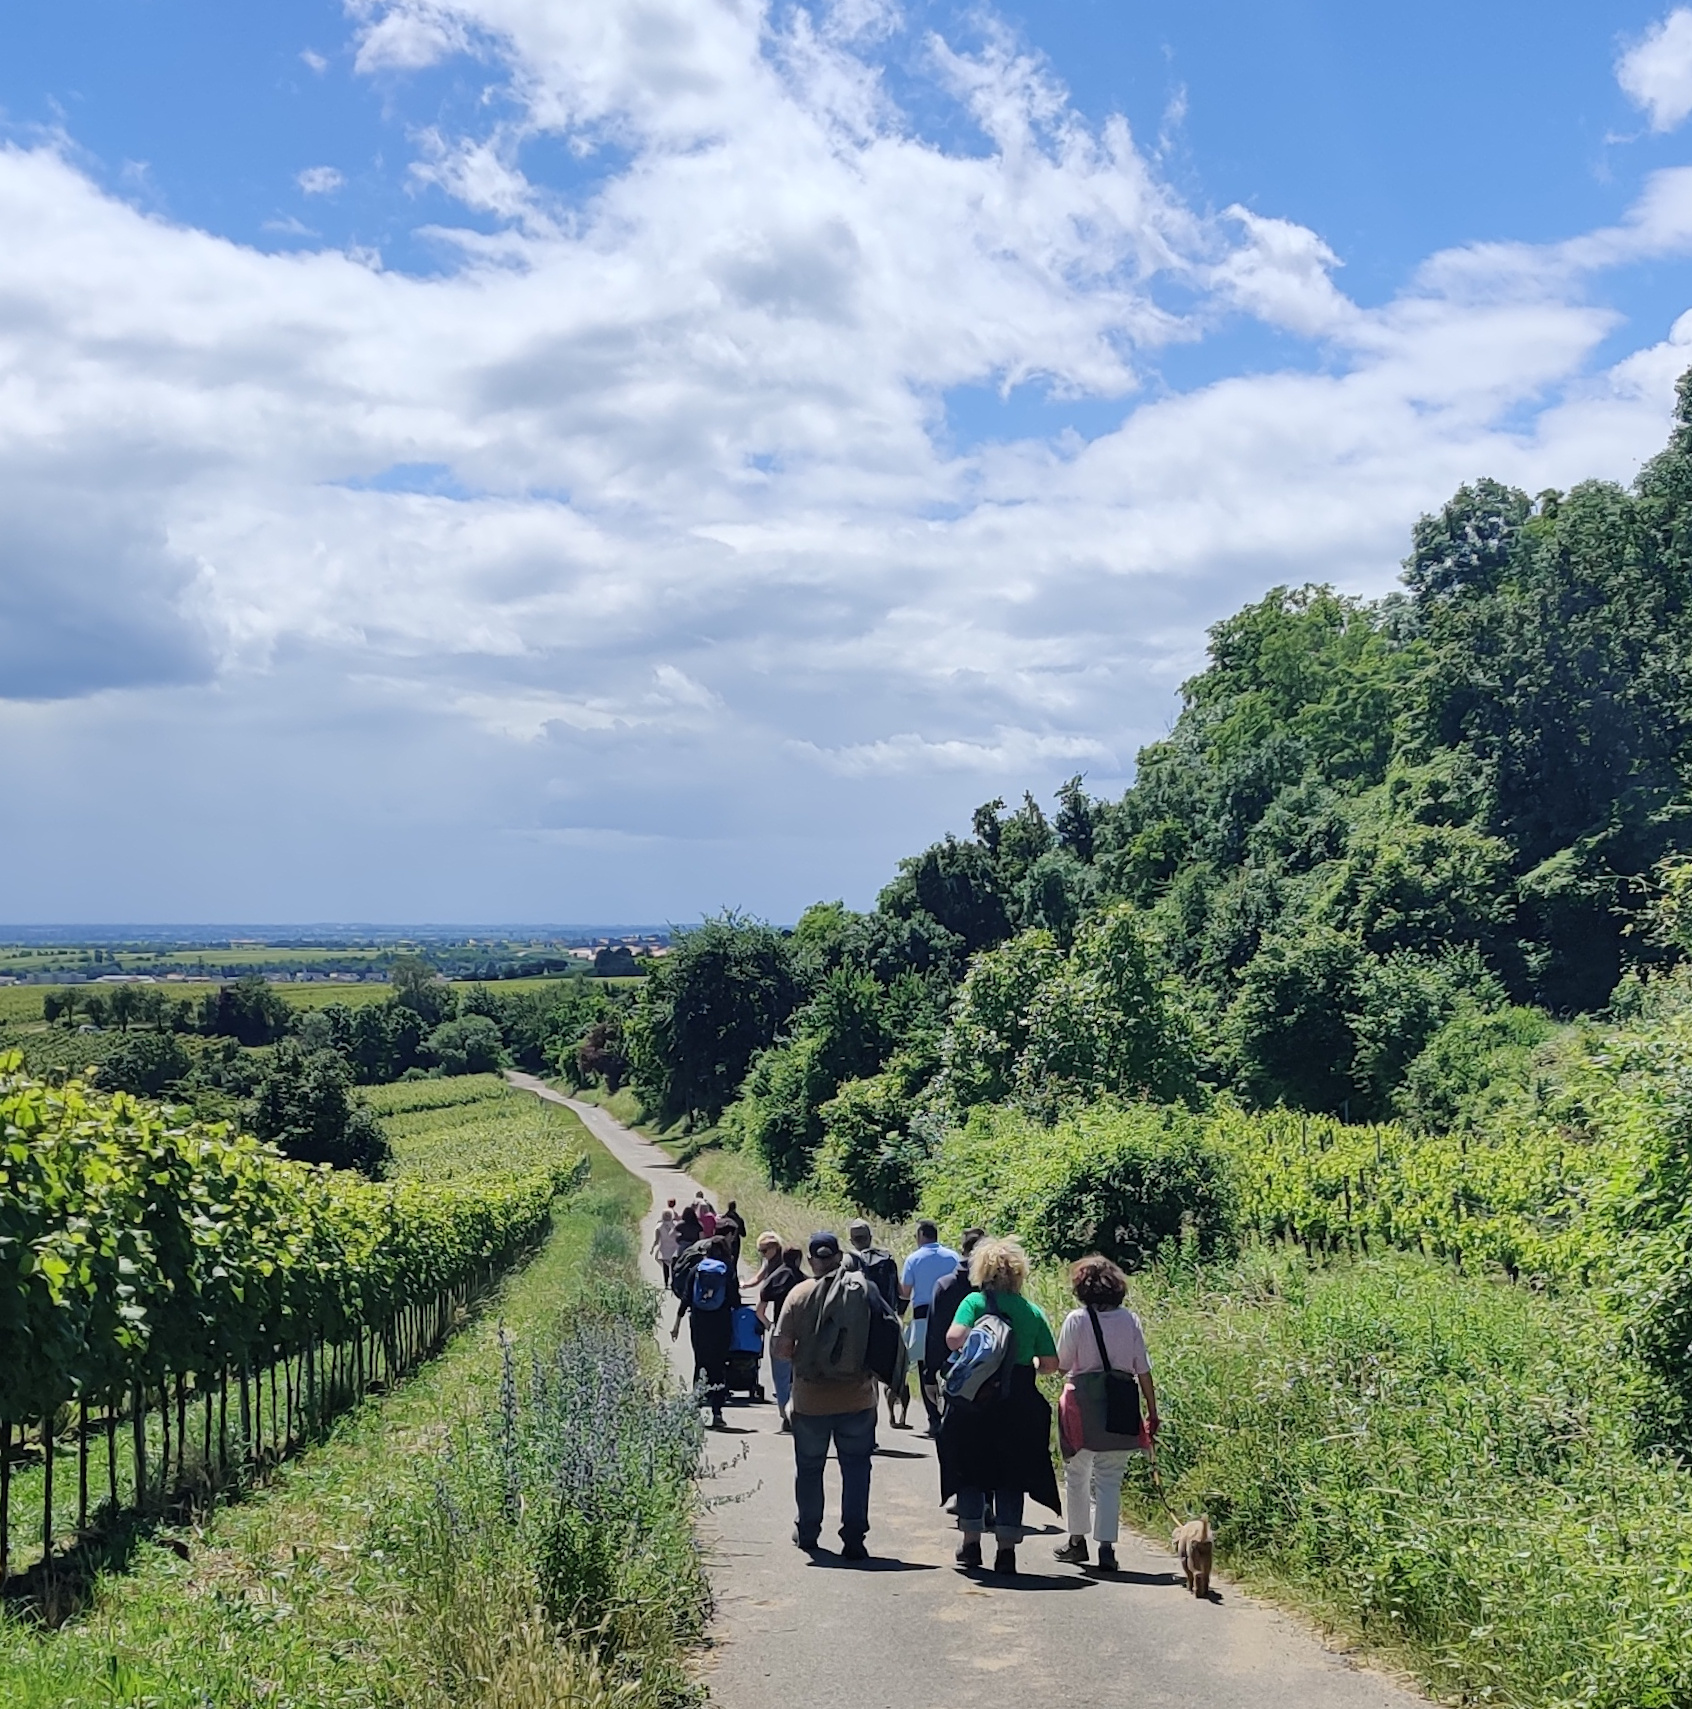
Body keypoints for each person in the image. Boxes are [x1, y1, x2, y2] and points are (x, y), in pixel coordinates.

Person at [939, 1236, 1060, 1576]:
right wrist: (1026, 1363)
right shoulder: (1031, 1311)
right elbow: (1051, 1363)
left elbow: (953, 1338)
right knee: (1011, 1475)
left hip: (975, 1403)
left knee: (970, 1471)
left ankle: (971, 1543)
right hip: (1017, 1402)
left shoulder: (974, 1302)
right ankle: (1006, 1549)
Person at [771, 1231, 880, 1559]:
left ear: (810, 1260)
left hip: (810, 1399)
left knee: (809, 1467)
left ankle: (808, 1531)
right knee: (857, 1468)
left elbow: (780, 1349)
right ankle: (854, 1538)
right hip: (858, 1398)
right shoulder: (865, 1292)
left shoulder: (798, 1294)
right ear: (839, 1256)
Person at [1053, 1255, 1159, 1574]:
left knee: (1077, 1474)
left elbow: (1061, 1365)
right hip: (1122, 1403)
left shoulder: (1076, 1319)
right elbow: (1143, 1369)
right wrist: (1152, 1412)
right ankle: (1107, 1548)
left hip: (1082, 1405)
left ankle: (1076, 1541)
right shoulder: (1130, 1320)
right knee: (1110, 1479)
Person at [671, 1233, 740, 1429]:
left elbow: (686, 1297)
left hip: (698, 1322)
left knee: (700, 1362)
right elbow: (736, 1300)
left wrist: (676, 1324)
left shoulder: (696, 1269)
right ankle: (717, 1412)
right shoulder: (727, 1271)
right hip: (721, 1322)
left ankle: (696, 1407)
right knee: (718, 1366)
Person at [848, 1219, 909, 1428]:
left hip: (862, 1323)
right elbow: (901, 1293)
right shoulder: (887, 1259)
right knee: (892, 1370)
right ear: (870, 1237)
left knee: (865, 1379)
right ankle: (896, 1414)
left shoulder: (851, 1261)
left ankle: (869, 1425)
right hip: (888, 1320)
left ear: (851, 1240)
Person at [902, 1220, 961, 1435]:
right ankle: (950, 1410)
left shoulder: (913, 1258)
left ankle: (933, 1418)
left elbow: (905, 1292)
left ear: (920, 1235)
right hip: (951, 1315)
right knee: (951, 1362)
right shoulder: (953, 1256)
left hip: (923, 1315)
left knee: (925, 1367)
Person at [756, 1243, 806, 1430]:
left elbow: (760, 1310)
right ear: (799, 1260)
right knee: (798, 1376)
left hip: (780, 1331)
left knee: (781, 1377)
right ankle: (798, 1411)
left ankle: (786, 1415)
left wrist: (769, 1325)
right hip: (801, 1333)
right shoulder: (804, 1281)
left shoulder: (774, 1278)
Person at [650, 1204, 682, 1288]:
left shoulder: (659, 1226)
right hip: (674, 1248)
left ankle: (666, 1283)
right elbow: (679, 1236)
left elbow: (656, 1240)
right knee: (673, 1267)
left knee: (665, 1268)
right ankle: (673, 1283)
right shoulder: (676, 1225)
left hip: (664, 1249)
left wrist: (653, 1248)